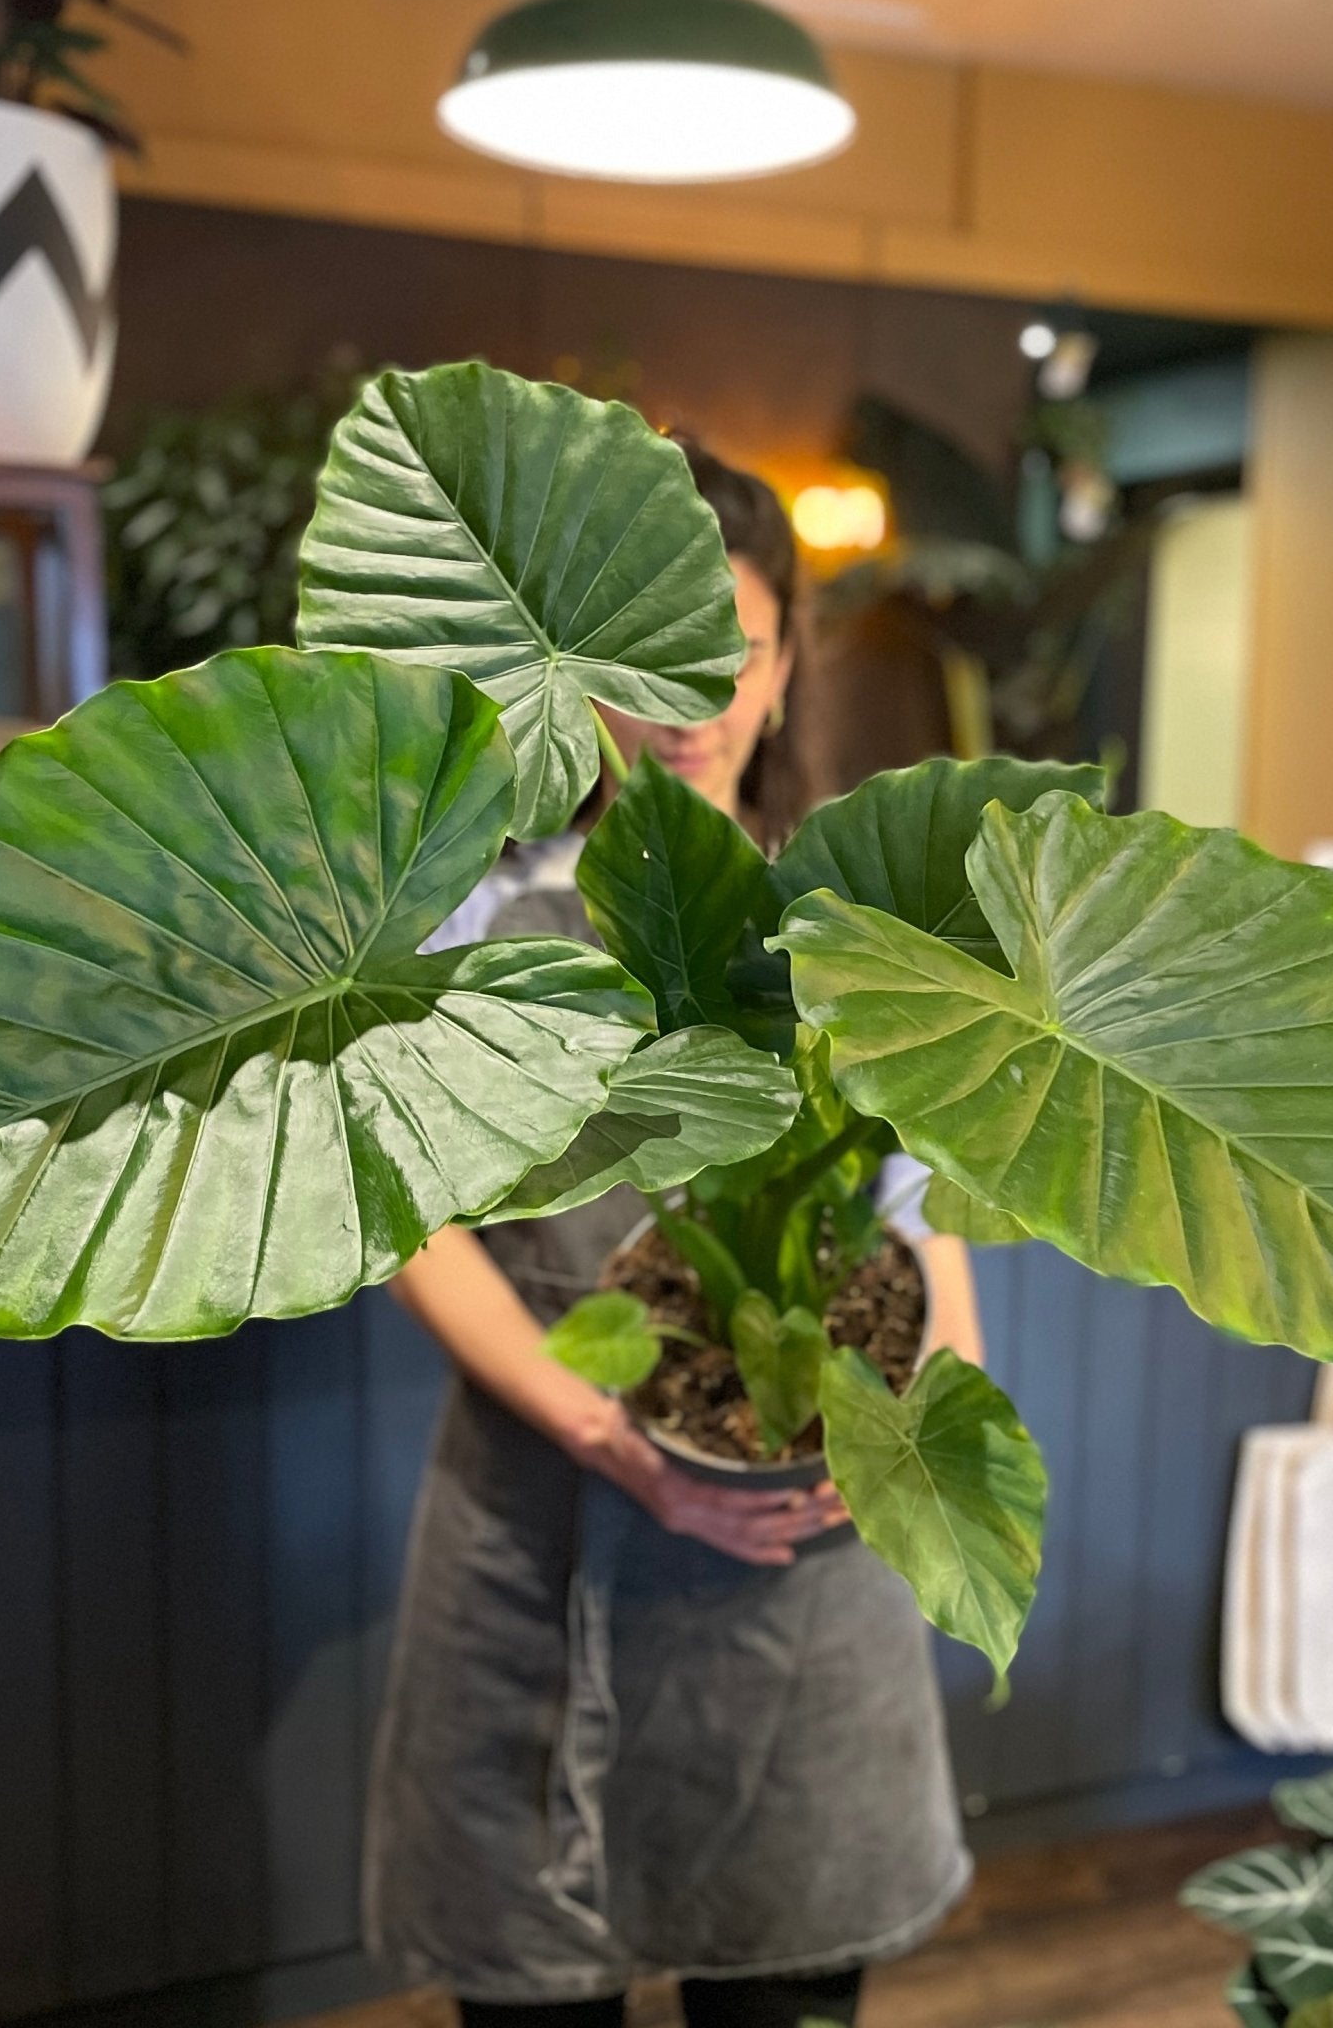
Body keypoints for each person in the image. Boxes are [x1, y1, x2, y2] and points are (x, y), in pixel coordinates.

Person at [370, 439, 988, 2028]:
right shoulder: (473, 915)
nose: (696, 694)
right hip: (541, 1523)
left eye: (739, 647)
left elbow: (920, 1228)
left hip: (798, 1564)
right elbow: (404, 1210)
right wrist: (605, 1429)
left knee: (784, 1988)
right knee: (534, 1983)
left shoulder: (851, 924)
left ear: (785, 673)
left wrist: (919, 1433)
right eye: (651, 649)